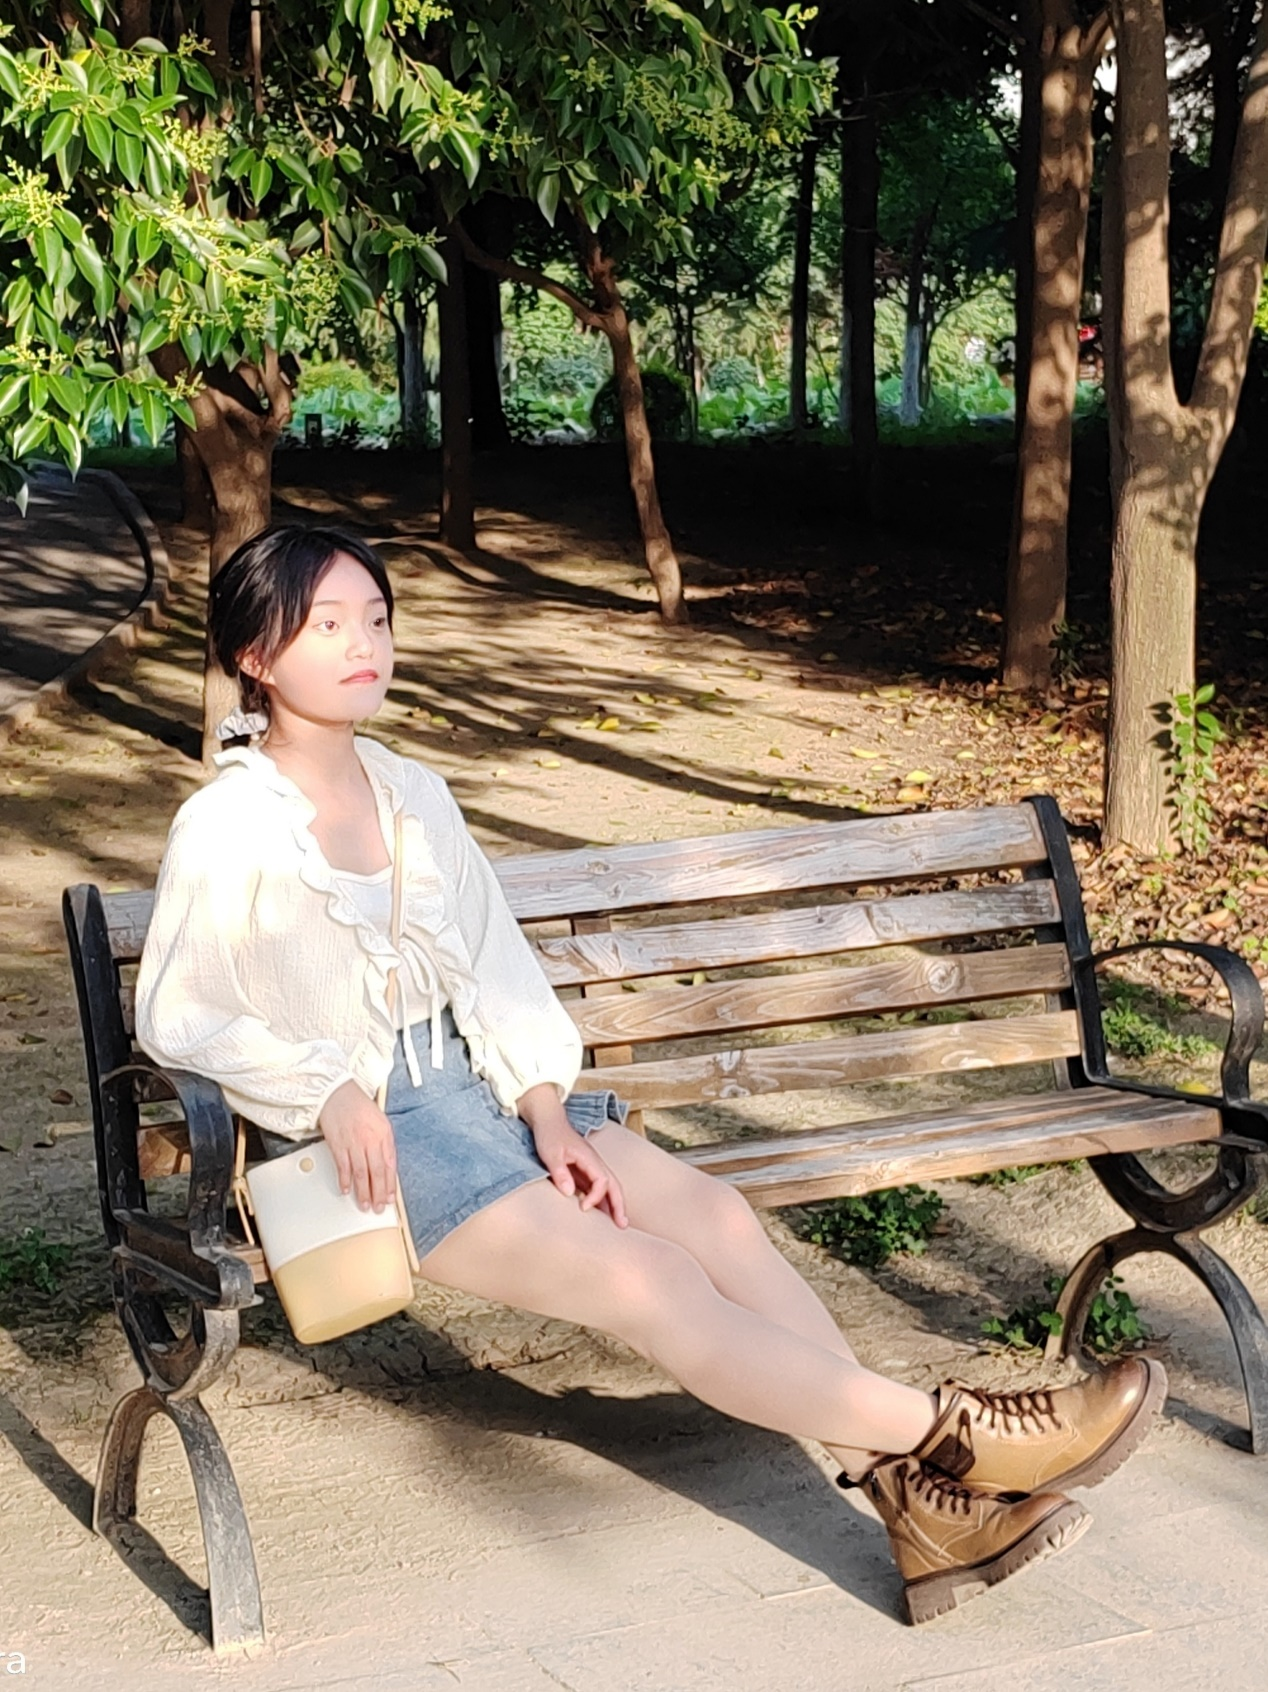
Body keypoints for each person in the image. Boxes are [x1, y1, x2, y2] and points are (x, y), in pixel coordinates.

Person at [136, 526, 1167, 1626]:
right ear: (255, 654)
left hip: (485, 1094)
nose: (363, 646)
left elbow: (494, 965)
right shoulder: (229, 825)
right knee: (651, 1281)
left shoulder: (412, 795)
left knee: (715, 1219)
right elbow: (179, 1012)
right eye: (328, 625)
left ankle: (918, 1510)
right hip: (376, 1137)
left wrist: (546, 1107)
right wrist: (326, 1091)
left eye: (377, 620)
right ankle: (958, 1434)